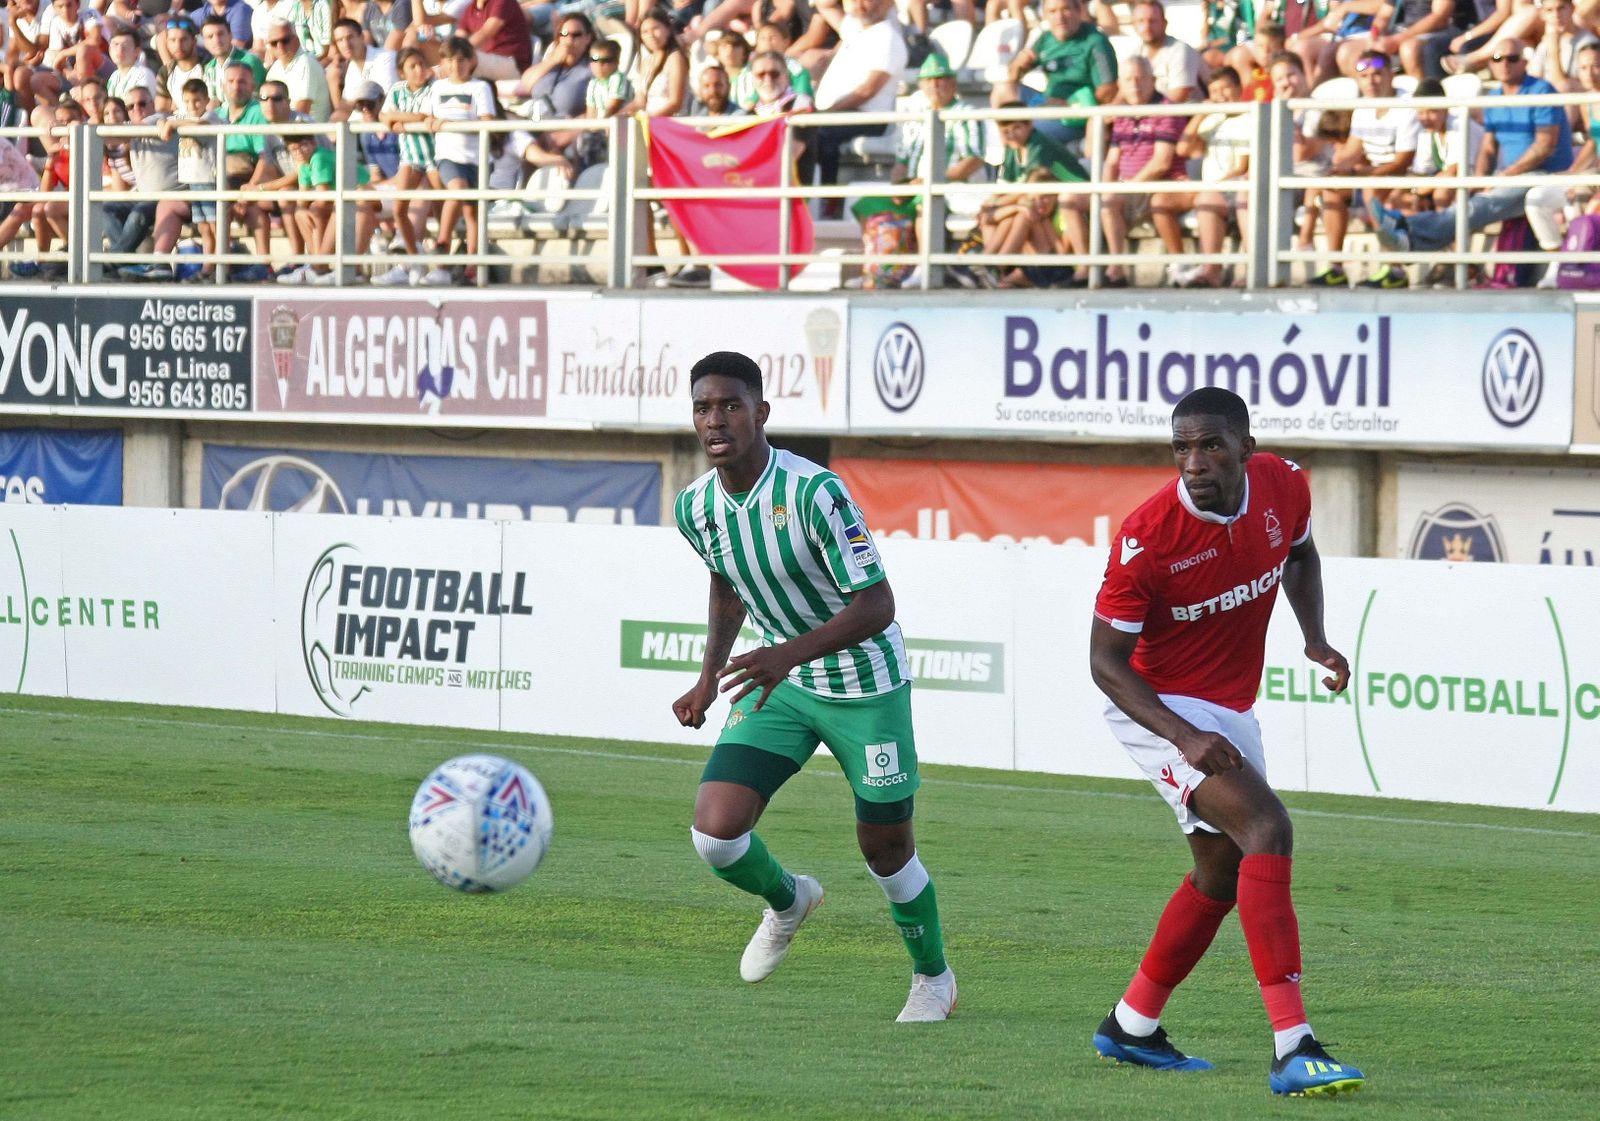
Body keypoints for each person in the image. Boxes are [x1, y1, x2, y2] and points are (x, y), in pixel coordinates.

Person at [1088, 385, 1366, 1098]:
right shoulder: (1146, 536)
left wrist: (1316, 638)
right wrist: (1185, 735)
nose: (1194, 461)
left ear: (1246, 446)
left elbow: (1300, 557)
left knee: (1220, 871)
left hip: (1227, 709)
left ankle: (1132, 1024)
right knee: (1268, 827)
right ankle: (1294, 1045)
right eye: (1181, 447)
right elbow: (1104, 664)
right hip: (1156, 708)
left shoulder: (1284, 484)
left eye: (1210, 444)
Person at [672, 349, 956, 1024]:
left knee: (886, 851)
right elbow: (726, 583)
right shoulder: (695, 507)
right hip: (783, 684)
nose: (716, 420)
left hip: (865, 685)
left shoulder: (813, 492)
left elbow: (877, 603)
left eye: (731, 405)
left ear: (761, 413)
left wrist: (782, 654)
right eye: (704, 407)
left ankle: (934, 978)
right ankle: (789, 898)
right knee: (716, 832)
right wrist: (709, 676)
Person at [1369, 37, 1574, 266]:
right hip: (1512, 175)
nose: (1504, 63)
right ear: (1491, 64)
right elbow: (1488, 147)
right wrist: (1478, 180)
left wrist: (1504, 176)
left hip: (1545, 174)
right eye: (1497, 58)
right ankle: (1429, 251)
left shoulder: (1541, 91)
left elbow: (1544, 147)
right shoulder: (1495, 97)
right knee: (1468, 197)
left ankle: (1412, 234)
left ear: (1524, 62)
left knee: (1479, 204)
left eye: (1512, 58)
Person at [1309, 49, 1418, 288]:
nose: (1372, 81)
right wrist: (1336, 169)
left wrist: (1364, 175)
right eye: (1365, 76)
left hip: (1407, 177)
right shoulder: (1363, 108)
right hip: (1375, 174)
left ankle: (1395, 271)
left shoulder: (1407, 107)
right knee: (1331, 189)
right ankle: (1335, 267)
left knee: (1372, 193)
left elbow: (1403, 161)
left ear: (1391, 75)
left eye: (1378, 74)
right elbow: (1352, 150)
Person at [1097, 55, 1188, 287]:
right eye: (1128, 80)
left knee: (1109, 201)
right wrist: (1105, 187)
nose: (1135, 85)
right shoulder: (1124, 113)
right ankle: (1073, 268)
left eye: (1140, 78)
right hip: (1130, 187)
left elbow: (1162, 163)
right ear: (1120, 84)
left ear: (1153, 80)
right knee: (1073, 201)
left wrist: (1126, 188)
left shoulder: (1166, 109)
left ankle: (1115, 268)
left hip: (1159, 185)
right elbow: (1111, 161)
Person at [991, 0, 1118, 153]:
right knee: (1003, 89)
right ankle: (1007, 153)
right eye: (1052, 11)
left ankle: (1018, 150)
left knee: (1029, 132)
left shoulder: (1095, 41)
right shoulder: (1045, 39)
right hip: (1046, 102)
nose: (1059, 17)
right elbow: (1014, 76)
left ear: (1079, 12)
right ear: (1045, 15)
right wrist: (1018, 64)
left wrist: (1069, 104)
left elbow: (1108, 91)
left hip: (1075, 114)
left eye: (1065, 9)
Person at [1169, 65, 1254, 287]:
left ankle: (1252, 270)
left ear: (1239, 88)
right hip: (1216, 189)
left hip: (1240, 185)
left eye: (1225, 88)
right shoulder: (1211, 119)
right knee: (1206, 198)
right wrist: (1199, 116)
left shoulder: (1250, 117)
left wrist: (1218, 184)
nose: (1220, 96)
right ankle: (1211, 270)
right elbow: (1183, 150)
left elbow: (1244, 167)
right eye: (1214, 91)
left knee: (1220, 195)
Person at [422, 34, 494, 285]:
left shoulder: (479, 88)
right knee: (457, 190)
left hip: (476, 158)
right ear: (442, 62)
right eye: (450, 60)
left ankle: (472, 264)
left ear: (471, 61)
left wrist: (449, 124)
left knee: (472, 212)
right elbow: (425, 118)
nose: (455, 66)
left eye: (461, 60)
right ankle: (442, 245)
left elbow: (487, 122)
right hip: (449, 156)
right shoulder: (437, 88)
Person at [1128, 0, 1207, 103]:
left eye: (1152, 21)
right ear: (1133, 25)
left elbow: (1177, 99)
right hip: (1151, 115)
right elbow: (1123, 92)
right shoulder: (1136, 53)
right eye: (1141, 21)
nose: (1147, 27)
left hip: (1182, 116)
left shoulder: (1181, 51)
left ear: (1165, 23)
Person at [265, 20, 334, 120]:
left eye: (285, 41)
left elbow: (301, 111)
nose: (280, 47)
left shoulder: (306, 63)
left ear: (296, 40)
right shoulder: (274, 69)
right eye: (274, 43)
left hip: (309, 131)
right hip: (287, 128)